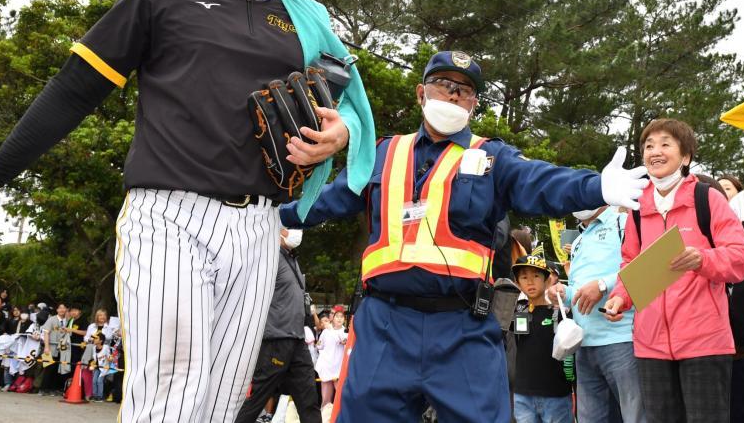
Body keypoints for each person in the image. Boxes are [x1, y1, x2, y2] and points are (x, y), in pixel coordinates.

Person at [0, 0, 373, 421]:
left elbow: (349, 104)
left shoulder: (304, 19)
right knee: (172, 390)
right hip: (169, 216)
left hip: (260, 227)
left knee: (221, 402)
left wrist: (340, 132)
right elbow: (73, 89)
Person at [282, 51, 648, 422]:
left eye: (466, 90)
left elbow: (541, 181)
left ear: (473, 104)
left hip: (463, 327)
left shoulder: (491, 157)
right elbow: (327, 200)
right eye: (445, 84)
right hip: (384, 325)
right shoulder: (382, 153)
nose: (455, 94)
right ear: (421, 93)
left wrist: (596, 187)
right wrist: (273, 215)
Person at [604, 118, 744, 423]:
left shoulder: (707, 198)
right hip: (650, 344)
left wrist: (702, 259)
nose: (655, 152)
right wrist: (621, 297)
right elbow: (630, 263)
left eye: (665, 144)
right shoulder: (637, 209)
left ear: (685, 156)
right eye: (649, 146)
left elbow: (741, 258)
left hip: (704, 341)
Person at [550, 205, 646, 423]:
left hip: (622, 340)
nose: (578, 202)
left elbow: (643, 266)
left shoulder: (624, 222)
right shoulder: (578, 241)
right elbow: (578, 291)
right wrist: (563, 293)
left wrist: (603, 285)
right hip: (583, 344)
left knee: (636, 416)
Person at [235, 228, 321, 423]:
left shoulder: (292, 259)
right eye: (291, 228)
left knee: (309, 397)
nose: (297, 233)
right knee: (258, 397)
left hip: (298, 339)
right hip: (276, 339)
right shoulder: (269, 257)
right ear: (278, 230)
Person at [512, 254, 575, 423]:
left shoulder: (560, 313)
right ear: (517, 283)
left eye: (536, 276)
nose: (530, 282)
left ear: (547, 280)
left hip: (556, 395)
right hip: (522, 395)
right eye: (524, 277)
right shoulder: (518, 311)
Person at [315, 308, 348, 408]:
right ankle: (325, 414)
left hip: (339, 370)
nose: (339, 319)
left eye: (341, 317)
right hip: (326, 368)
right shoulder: (326, 331)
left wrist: (330, 330)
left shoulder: (346, 332)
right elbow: (319, 346)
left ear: (344, 319)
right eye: (337, 316)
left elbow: (341, 340)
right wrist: (318, 343)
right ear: (333, 318)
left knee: (341, 397)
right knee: (326, 399)